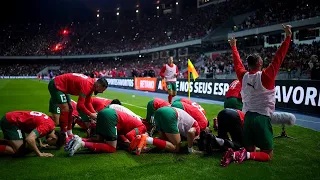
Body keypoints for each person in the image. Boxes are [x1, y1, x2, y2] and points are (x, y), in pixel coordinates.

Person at [221, 24, 292, 166]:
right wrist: (288, 37)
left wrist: (234, 46)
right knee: (267, 153)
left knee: (251, 147)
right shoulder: (266, 76)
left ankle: (239, 153)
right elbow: (278, 58)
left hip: (247, 118)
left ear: (248, 65)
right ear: (260, 63)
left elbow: (237, 63)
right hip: (262, 118)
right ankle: (245, 155)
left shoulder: (243, 76)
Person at [67, 108, 146, 156]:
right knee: (112, 148)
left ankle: (77, 139)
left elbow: (123, 135)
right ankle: (82, 144)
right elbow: (130, 135)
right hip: (112, 117)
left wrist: (127, 142)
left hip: (103, 113)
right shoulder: (143, 127)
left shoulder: (134, 123)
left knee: (99, 139)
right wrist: (135, 145)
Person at [130, 106, 200, 155]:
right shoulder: (197, 129)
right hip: (170, 114)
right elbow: (191, 132)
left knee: (163, 140)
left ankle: (143, 142)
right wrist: (190, 149)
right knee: (176, 148)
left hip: (160, 112)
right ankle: (146, 139)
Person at [0, 111, 65, 157]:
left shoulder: (51, 125)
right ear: (53, 138)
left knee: (22, 144)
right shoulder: (46, 127)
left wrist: (40, 144)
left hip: (13, 119)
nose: (49, 144)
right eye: (53, 144)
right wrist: (39, 154)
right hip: (11, 122)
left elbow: (37, 130)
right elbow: (29, 139)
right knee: (17, 150)